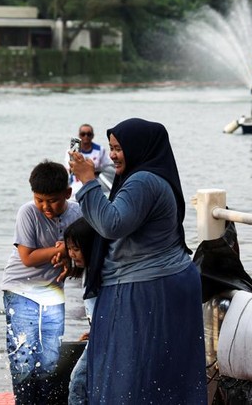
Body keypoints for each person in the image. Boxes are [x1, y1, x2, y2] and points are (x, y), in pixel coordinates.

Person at [68, 118, 206, 404]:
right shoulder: (150, 177)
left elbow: (111, 224)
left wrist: (88, 181)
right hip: (162, 283)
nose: (114, 155)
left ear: (138, 148)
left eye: (119, 148)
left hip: (146, 289)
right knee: (162, 376)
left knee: (130, 376)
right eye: (111, 148)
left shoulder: (143, 181)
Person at [0, 160, 82, 405]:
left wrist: (67, 253)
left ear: (67, 193)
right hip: (20, 288)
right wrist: (60, 249)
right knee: (24, 353)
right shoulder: (28, 212)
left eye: (53, 200)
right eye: (40, 200)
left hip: (52, 291)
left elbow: (82, 252)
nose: (45, 207)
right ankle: (25, 401)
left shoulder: (77, 212)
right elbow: (27, 257)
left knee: (49, 353)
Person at [56, 217, 98, 405]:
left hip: (104, 339)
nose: (72, 254)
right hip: (99, 335)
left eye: (77, 249)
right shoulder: (88, 271)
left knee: (78, 381)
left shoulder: (99, 275)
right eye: (69, 248)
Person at [64, 124, 114, 198]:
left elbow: (107, 166)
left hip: (94, 180)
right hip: (76, 181)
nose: (86, 137)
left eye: (89, 134)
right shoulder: (72, 151)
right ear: (79, 135)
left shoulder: (100, 150)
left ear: (92, 136)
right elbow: (70, 169)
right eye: (83, 134)